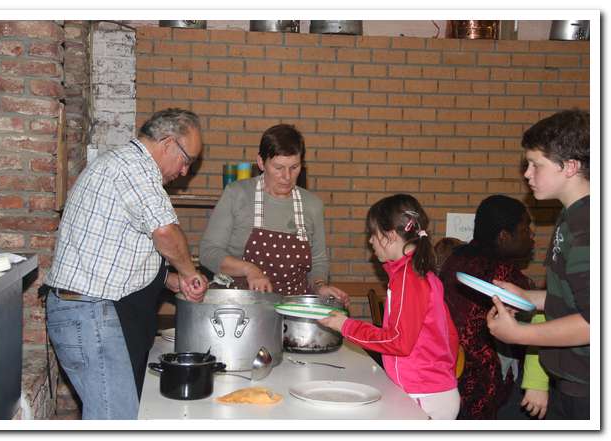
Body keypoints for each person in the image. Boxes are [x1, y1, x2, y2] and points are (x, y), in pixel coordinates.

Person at [43, 108, 209, 419]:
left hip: (85, 311)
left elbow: (120, 252)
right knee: (115, 420)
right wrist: (189, 271)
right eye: (187, 160)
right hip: (88, 314)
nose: (185, 171)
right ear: (168, 143)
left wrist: (172, 281)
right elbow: (165, 233)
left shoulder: (123, 164)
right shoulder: (134, 168)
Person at [486, 109, 590, 420]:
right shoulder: (569, 217)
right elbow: (572, 298)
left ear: (570, 166)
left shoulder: (588, 226)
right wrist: (526, 297)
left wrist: (519, 334)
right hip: (569, 378)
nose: (527, 174)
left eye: (536, 165)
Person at [319, 194, 460, 419]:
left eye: (372, 234)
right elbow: (450, 335)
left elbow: (399, 342)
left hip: (424, 393)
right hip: (432, 390)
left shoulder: (409, 278)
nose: (370, 241)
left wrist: (346, 326)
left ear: (390, 235)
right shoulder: (417, 271)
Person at [199, 123, 349, 306]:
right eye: (278, 167)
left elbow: (317, 261)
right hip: (240, 306)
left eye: (294, 167)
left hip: (292, 309)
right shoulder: (237, 194)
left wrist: (320, 286)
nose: (287, 176)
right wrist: (249, 270)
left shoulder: (312, 205)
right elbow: (208, 253)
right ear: (261, 163)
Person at [439, 195, 549, 419]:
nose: (531, 234)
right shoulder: (503, 274)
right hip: (483, 383)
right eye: (525, 228)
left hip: (446, 370)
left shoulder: (455, 260)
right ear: (504, 237)